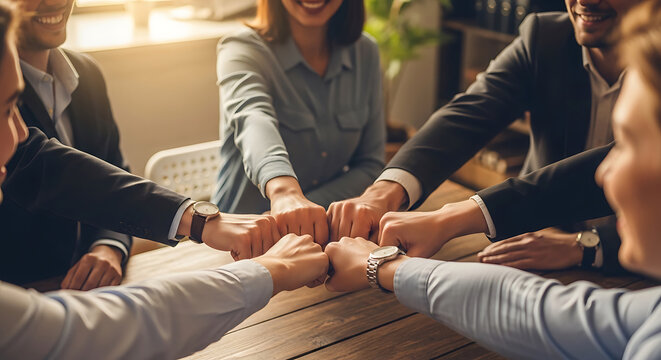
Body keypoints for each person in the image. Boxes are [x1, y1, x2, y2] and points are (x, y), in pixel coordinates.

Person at [324, 1, 661, 358]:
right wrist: (383, 193)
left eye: (629, 143)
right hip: (532, 254)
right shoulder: (545, 34)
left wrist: (587, 245)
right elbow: (469, 113)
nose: (604, 174)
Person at [0, 4, 328, 358]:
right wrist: (269, 270)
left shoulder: (84, 76)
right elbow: (111, 328)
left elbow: (97, 172)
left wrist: (113, 244)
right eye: (5, 111)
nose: (20, 134)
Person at [212, 0, 385, 245]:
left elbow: (370, 164)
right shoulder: (240, 49)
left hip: (321, 241)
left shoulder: (365, 51)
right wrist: (284, 193)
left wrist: (306, 215)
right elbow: (253, 119)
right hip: (238, 243)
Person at [0, 0, 132, 290]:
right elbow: (62, 175)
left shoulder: (88, 74)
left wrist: (108, 246)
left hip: (93, 298)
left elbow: (114, 174)